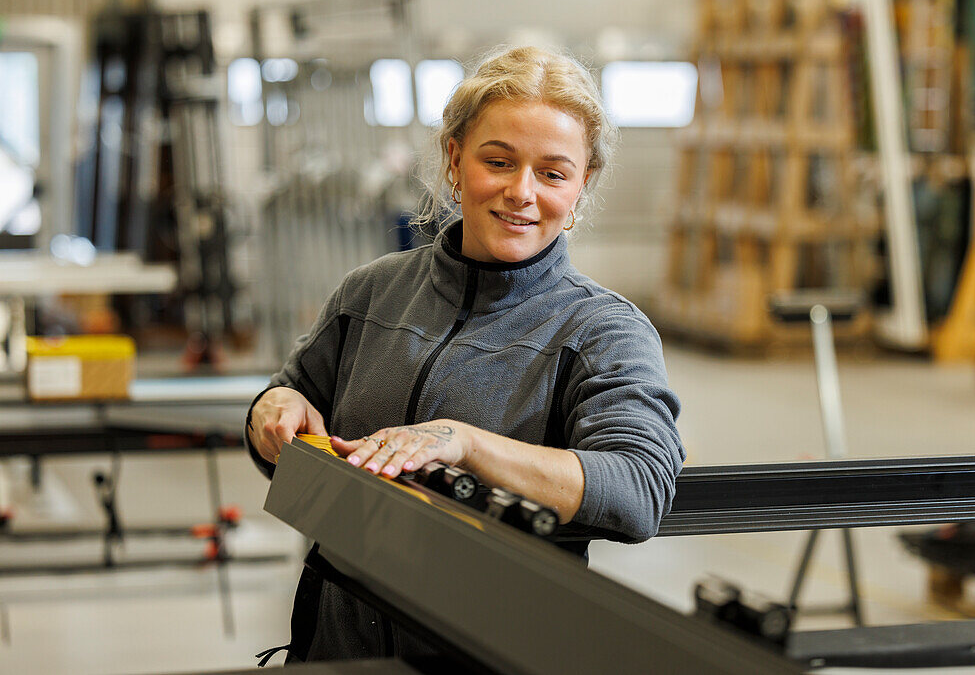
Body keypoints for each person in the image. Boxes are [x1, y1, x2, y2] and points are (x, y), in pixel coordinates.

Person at [245, 45, 685, 662]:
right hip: (339, 648)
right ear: (455, 159)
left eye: (553, 173)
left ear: (582, 186)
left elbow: (637, 488)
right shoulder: (371, 293)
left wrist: (465, 443)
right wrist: (273, 409)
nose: (521, 192)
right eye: (498, 161)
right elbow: (287, 406)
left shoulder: (603, 331)